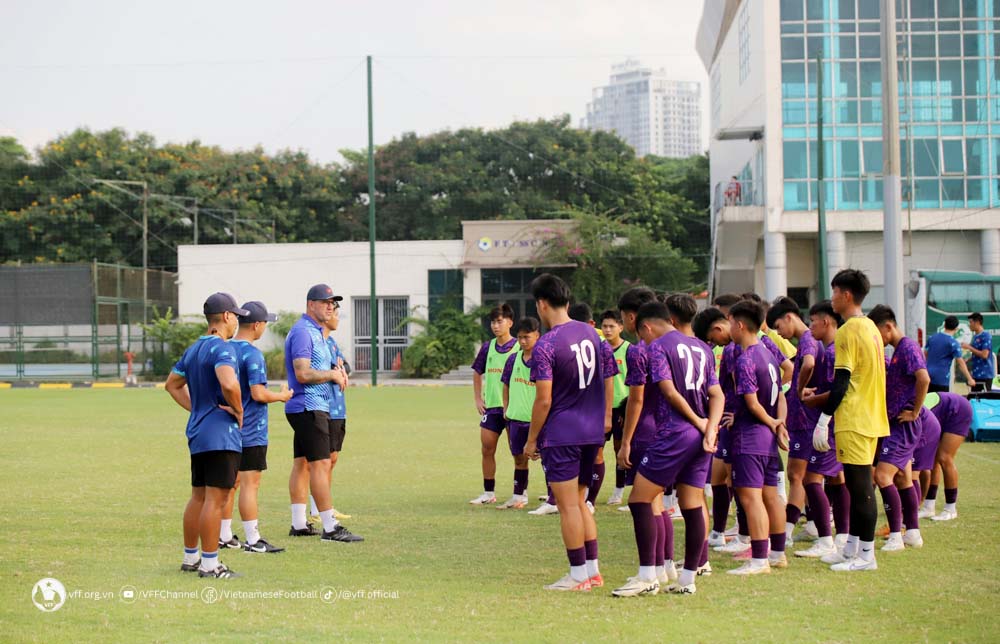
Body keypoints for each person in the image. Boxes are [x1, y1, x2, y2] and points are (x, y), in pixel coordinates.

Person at [612, 300, 722, 596]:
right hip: (701, 438)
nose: (643, 342)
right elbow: (717, 393)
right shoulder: (703, 348)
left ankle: (647, 576)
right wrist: (710, 427)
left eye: (642, 334)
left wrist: (699, 423)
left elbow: (669, 391)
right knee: (691, 504)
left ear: (647, 326)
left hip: (676, 432)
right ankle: (687, 580)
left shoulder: (659, 346)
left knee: (639, 500)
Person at [524, 274, 618, 591]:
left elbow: (544, 398)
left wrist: (532, 438)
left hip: (562, 434)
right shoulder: (593, 335)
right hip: (592, 432)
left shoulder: (546, 345)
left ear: (541, 304)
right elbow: (609, 375)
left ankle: (578, 574)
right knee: (580, 503)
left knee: (567, 507)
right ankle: (592, 570)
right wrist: (605, 414)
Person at [810, 269, 888, 572]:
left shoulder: (847, 331)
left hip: (854, 418)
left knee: (860, 489)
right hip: (870, 417)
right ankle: (852, 548)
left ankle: (866, 556)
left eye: (834, 292)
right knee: (858, 487)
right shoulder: (870, 326)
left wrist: (823, 419)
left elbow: (842, 382)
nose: (832, 299)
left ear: (846, 295)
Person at [165, 292, 248, 579]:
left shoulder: (193, 349)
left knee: (198, 497)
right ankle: (211, 564)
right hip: (220, 434)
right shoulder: (223, 348)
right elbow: (229, 383)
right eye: (236, 315)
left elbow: (172, 385)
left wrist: (199, 408)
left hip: (199, 432)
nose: (237, 320)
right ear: (226, 316)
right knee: (217, 499)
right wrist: (238, 410)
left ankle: (191, 558)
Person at [285, 284, 362, 542]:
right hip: (309, 405)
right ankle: (330, 527)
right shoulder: (304, 332)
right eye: (325, 301)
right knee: (321, 463)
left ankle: (299, 523)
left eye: (333, 302)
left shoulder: (316, 332)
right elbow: (303, 373)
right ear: (311, 304)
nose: (330, 306)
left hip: (313, 405)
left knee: (303, 463)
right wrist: (333, 374)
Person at [220, 301, 292, 554]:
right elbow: (258, 393)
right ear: (258, 325)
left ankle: (224, 535)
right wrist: (282, 396)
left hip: (227, 429)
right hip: (251, 430)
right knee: (251, 484)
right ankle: (253, 540)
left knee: (232, 483)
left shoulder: (225, 349)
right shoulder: (252, 354)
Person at [727, 300, 790, 575]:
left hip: (751, 435)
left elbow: (752, 403)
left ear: (740, 325)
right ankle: (777, 554)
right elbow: (782, 395)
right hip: (767, 438)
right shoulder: (768, 353)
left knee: (750, 497)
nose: (729, 327)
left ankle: (759, 559)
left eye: (730, 322)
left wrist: (772, 421)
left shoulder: (746, 358)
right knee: (771, 496)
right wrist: (778, 424)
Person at [868, 304, 929, 552]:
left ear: (888, 326)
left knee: (882, 476)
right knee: (903, 477)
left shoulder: (908, 347)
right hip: (894, 423)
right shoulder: (897, 350)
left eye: (877, 333)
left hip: (904, 425)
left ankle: (895, 535)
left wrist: (915, 410)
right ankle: (912, 532)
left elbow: (923, 378)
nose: (876, 340)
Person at [796, 301, 850, 558]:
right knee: (837, 478)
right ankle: (842, 536)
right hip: (839, 422)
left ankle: (825, 540)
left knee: (811, 479)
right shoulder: (833, 348)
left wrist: (808, 398)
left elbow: (838, 391)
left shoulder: (832, 351)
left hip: (830, 422)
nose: (810, 328)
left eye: (813, 322)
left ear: (826, 321)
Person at [767, 297, 822, 544]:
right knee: (807, 475)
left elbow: (808, 363)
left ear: (790, 317)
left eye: (779, 326)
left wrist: (799, 391)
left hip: (807, 420)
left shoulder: (809, 339)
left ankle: (787, 530)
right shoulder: (806, 340)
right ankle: (812, 525)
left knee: (797, 476)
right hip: (805, 419)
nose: (780, 333)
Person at [470, 303, 518, 505]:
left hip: (514, 410)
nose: (495, 326)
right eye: (493, 322)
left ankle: (520, 493)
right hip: (492, 408)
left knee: (519, 453)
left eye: (499, 321)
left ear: (510, 322)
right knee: (487, 449)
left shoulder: (519, 346)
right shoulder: (487, 347)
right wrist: (478, 398)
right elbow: (477, 371)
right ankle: (488, 493)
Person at [498, 317, 541, 510]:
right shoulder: (512, 359)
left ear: (537, 336)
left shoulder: (543, 360)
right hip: (516, 419)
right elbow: (505, 384)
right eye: (520, 337)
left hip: (538, 420)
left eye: (527, 337)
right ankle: (519, 496)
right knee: (519, 459)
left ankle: (553, 499)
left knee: (546, 459)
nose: (523, 341)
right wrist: (506, 407)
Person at [920, 392, 973, 521]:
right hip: (939, 415)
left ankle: (950, 509)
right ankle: (928, 507)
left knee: (944, 457)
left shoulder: (916, 414)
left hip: (959, 409)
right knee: (931, 460)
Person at [600, 309, 630, 506]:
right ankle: (589, 489)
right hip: (600, 407)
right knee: (595, 448)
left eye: (612, 326)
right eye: (604, 326)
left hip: (622, 408)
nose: (608, 330)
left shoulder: (629, 350)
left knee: (620, 450)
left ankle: (619, 490)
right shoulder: (598, 349)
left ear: (621, 327)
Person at [924, 316, 976, 392]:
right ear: (956, 328)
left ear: (944, 325)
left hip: (927, 375)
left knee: (927, 401)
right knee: (941, 402)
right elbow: (961, 363)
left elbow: (925, 354)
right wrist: (970, 379)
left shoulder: (932, 338)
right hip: (941, 378)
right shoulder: (953, 343)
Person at [963, 312, 995, 392]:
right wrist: (967, 360)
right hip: (976, 374)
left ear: (977, 322)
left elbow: (984, 355)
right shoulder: (976, 336)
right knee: (975, 398)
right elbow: (976, 353)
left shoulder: (986, 336)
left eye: (971, 322)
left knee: (984, 399)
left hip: (984, 375)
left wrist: (969, 347)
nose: (969, 325)